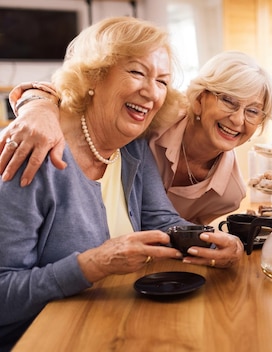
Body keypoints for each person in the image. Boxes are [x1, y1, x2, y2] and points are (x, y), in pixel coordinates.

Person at [0, 17, 242, 350]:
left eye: (162, 80)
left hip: (108, 325)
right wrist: (93, 264)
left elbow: (163, 223)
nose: (151, 91)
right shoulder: (34, 149)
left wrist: (219, 243)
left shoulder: (131, 146)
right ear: (93, 76)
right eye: (137, 72)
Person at [0, 51, 272, 225]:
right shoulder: (155, 114)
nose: (238, 120)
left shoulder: (230, 193)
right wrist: (38, 107)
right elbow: (80, 91)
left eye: (253, 112)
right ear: (201, 100)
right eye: (228, 101)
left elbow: (178, 233)